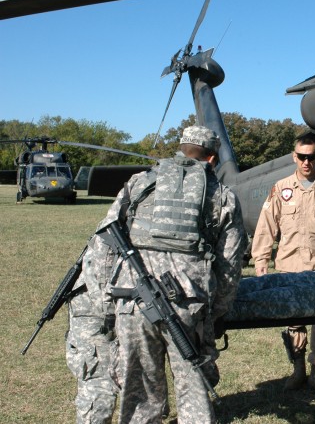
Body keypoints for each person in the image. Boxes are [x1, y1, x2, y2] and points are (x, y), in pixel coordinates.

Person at [100, 125, 247, 423]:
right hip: (187, 307)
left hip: (132, 302)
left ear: (181, 150)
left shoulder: (138, 183)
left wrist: (107, 303)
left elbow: (105, 242)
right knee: (193, 389)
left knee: (140, 393)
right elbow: (230, 266)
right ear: (212, 160)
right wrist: (215, 313)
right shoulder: (221, 196)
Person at [251, 136, 315, 396]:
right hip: (290, 265)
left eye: (311, 156)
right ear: (294, 156)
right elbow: (266, 226)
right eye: (301, 156)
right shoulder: (281, 188)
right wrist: (261, 260)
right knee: (293, 322)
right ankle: (297, 368)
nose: (306, 161)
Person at [65, 234, 119, 424]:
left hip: (130, 301)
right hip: (95, 303)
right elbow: (96, 271)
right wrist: (112, 314)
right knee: (100, 382)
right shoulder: (121, 217)